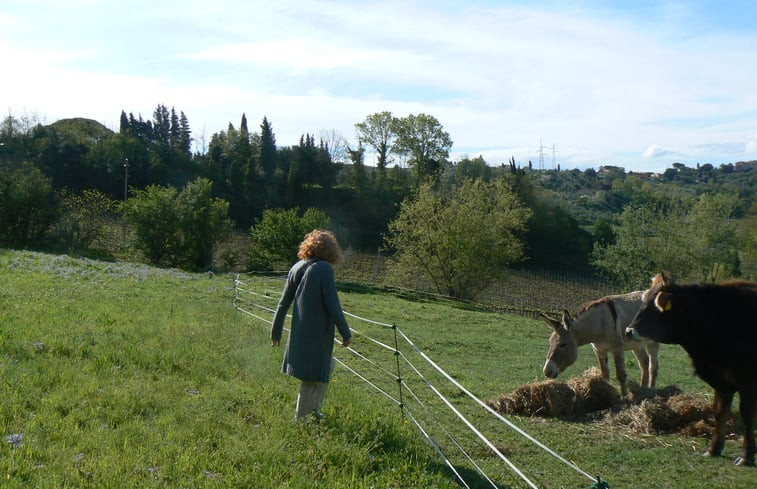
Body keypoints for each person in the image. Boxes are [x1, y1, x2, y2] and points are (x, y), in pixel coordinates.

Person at [271, 229, 352, 421]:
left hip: (299, 333)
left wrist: (276, 332)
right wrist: (346, 333)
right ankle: (301, 419)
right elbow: (334, 305)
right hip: (317, 334)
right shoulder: (324, 268)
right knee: (310, 378)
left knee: (327, 366)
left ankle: (314, 409)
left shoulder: (296, 267)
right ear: (330, 250)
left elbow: (283, 303)